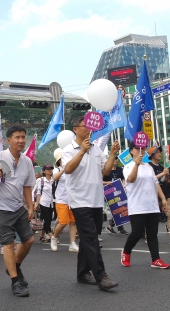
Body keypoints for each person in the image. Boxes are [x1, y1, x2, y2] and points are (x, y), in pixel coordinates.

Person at [62, 116, 119, 291]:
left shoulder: (96, 149)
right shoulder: (69, 149)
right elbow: (68, 169)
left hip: (96, 200)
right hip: (79, 200)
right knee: (91, 238)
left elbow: (106, 170)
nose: (88, 129)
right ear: (75, 129)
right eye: (84, 126)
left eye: (89, 126)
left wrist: (112, 154)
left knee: (89, 238)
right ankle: (101, 276)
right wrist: (81, 152)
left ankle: (82, 273)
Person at [0, 125, 35, 297]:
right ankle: (15, 281)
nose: (21, 140)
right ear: (9, 140)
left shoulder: (27, 161)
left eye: (23, 137)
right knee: (9, 244)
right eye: (17, 137)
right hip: (0, 207)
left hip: (18, 206)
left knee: (29, 240)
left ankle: (15, 267)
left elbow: (27, 186)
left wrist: (31, 206)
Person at [120, 142, 170, 269]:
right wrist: (136, 164)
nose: (140, 150)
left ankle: (156, 259)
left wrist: (163, 198)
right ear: (131, 151)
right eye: (137, 148)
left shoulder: (148, 167)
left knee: (152, 233)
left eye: (143, 148)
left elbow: (155, 183)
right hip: (137, 205)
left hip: (151, 204)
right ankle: (126, 252)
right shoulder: (128, 166)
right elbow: (131, 180)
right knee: (137, 233)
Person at [147, 146, 170, 243]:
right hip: (153, 195)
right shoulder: (148, 166)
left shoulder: (162, 167)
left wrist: (167, 176)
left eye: (160, 152)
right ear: (152, 155)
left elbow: (166, 181)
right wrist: (162, 174)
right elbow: (150, 179)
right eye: (157, 152)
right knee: (152, 218)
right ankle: (149, 235)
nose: (160, 154)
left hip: (165, 193)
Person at [52, 154, 79, 252]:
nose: (63, 160)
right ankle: (54, 238)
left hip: (72, 199)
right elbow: (55, 178)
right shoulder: (57, 169)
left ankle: (72, 243)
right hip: (61, 199)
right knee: (63, 222)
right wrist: (64, 169)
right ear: (58, 161)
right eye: (61, 159)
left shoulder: (73, 169)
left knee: (72, 223)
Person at [103, 164, 128, 235]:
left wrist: (123, 186)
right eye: (114, 159)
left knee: (120, 209)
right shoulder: (107, 170)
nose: (115, 160)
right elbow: (101, 181)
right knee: (115, 210)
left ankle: (114, 227)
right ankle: (115, 227)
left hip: (119, 191)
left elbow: (123, 178)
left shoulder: (120, 169)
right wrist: (107, 183)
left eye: (116, 159)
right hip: (110, 193)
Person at [33, 164, 55, 243]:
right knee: (47, 220)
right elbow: (38, 193)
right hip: (43, 203)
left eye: (51, 169)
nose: (50, 171)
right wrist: (36, 203)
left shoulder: (53, 180)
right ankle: (51, 235)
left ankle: (42, 235)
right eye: (48, 169)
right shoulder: (41, 180)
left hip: (51, 203)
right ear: (44, 171)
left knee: (47, 220)